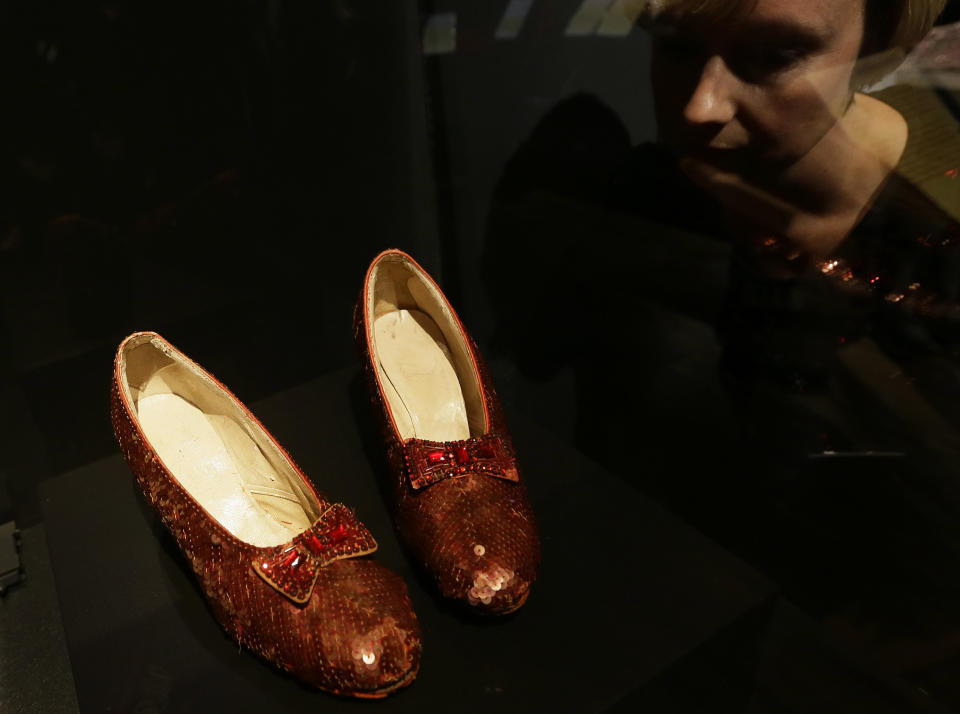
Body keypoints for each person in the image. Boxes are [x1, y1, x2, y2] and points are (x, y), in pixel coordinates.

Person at [483, 0, 960, 687]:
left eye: (775, 56)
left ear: (879, 35)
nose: (703, 104)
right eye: (675, 46)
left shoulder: (934, 234)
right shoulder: (625, 206)